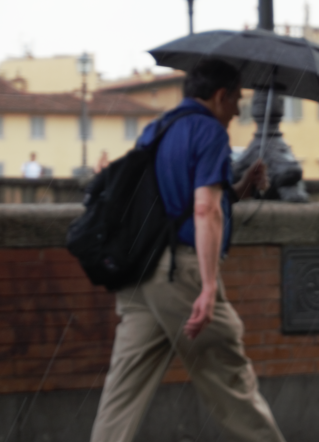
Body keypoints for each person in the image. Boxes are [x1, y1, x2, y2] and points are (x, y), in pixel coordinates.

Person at [90, 59, 284, 442]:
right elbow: (203, 209)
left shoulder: (156, 129)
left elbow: (168, 199)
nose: (238, 110)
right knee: (229, 375)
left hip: (138, 272)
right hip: (178, 272)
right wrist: (208, 287)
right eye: (237, 99)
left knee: (124, 390)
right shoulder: (209, 132)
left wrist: (240, 188)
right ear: (219, 95)